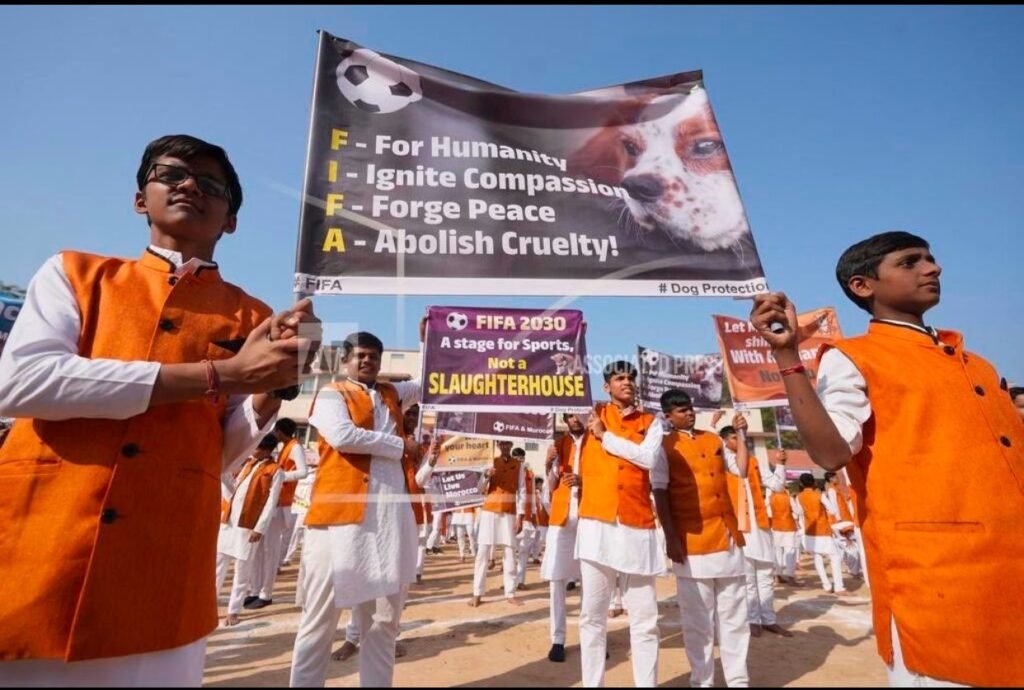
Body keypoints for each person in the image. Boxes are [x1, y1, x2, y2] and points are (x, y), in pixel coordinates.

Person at [0, 134, 319, 685]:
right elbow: (23, 383)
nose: (190, 185)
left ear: (231, 221)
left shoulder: (253, 315)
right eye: (170, 174)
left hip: (164, 556)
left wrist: (272, 385)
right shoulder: (75, 274)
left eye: (212, 186)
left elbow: (219, 452)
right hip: (43, 538)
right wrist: (220, 374)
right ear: (139, 199)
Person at [750, 230, 1024, 686]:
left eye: (931, 259)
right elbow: (831, 451)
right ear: (863, 286)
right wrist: (788, 358)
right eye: (910, 262)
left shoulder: (977, 365)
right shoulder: (855, 357)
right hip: (934, 580)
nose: (932, 268)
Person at [289, 331, 420, 688]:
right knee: (319, 624)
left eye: (373, 357)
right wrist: (400, 445)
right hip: (336, 525)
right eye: (360, 356)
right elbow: (344, 436)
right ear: (346, 360)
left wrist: (430, 340)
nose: (367, 362)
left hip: (385, 526)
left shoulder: (392, 393)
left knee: (380, 626)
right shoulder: (333, 394)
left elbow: (431, 381)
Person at [653, 390, 751, 688]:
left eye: (690, 409)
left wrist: (743, 435)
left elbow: (741, 469)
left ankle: (739, 681)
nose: (689, 414)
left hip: (728, 538)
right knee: (698, 624)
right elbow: (659, 492)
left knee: (735, 619)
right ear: (668, 416)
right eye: (681, 411)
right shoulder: (662, 446)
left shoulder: (713, 438)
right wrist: (671, 538)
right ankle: (701, 681)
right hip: (692, 543)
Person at [576, 361, 664, 688]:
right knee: (592, 617)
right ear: (606, 386)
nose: (627, 382)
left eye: (630, 378)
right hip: (597, 525)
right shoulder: (592, 414)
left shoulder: (651, 422)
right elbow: (565, 392)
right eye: (619, 378)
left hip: (636, 524)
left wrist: (606, 437)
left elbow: (647, 459)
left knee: (644, 620)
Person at [721, 422, 792, 638]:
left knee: (764, 575)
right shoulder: (723, 463)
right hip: (739, 526)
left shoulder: (754, 462)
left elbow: (777, 486)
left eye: (741, 438)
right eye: (734, 438)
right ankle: (752, 619)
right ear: (725, 441)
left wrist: (780, 464)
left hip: (760, 526)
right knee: (748, 578)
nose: (739, 441)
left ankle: (768, 618)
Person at [216, 434, 284, 626]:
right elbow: (235, 491)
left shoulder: (275, 471)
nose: (252, 451)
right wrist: (223, 476)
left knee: (242, 570)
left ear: (266, 450)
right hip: (229, 523)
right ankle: (210, 604)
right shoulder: (247, 464)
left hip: (249, 526)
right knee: (218, 567)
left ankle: (233, 610)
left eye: (256, 447)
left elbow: (271, 503)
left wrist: (259, 528)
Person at [247, 417, 309, 610]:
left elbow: (303, 472)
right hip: (272, 501)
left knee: (270, 550)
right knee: (259, 550)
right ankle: (255, 590)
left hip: (282, 502)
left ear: (280, 431)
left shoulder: (295, 447)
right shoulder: (284, 447)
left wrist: (278, 477)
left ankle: (266, 594)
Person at [540, 414, 587, 663]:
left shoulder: (598, 443)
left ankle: (592, 638)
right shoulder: (558, 445)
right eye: (569, 415)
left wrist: (584, 481)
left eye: (579, 414)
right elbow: (551, 485)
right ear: (565, 420)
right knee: (557, 580)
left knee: (591, 582)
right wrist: (548, 465)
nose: (575, 419)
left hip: (591, 518)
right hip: (561, 518)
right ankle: (558, 639)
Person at [469, 440, 525, 607]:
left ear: (511, 445)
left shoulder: (519, 465)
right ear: (498, 446)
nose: (505, 447)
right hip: (489, 510)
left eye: (508, 444)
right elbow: (479, 489)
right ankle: (477, 593)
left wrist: (520, 516)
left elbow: (522, 490)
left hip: (509, 511)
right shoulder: (489, 462)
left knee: (509, 553)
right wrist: (487, 476)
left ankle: (510, 593)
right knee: (482, 553)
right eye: (502, 444)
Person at [794, 474, 845, 594]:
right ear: (814, 482)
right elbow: (832, 510)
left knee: (817, 557)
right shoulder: (819, 494)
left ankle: (826, 585)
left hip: (809, 530)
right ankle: (839, 586)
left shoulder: (799, 497)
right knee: (835, 557)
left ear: (801, 484)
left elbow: (799, 512)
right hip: (822, 529)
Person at [765, 480, 799, 585]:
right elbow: (798, 511)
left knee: (777, 551)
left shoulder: (770, 498)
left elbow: (765, 510)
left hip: (775, 526)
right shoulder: (788, 498)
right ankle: (790, 576)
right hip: (789, 526)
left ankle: (777, 576)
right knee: (790, 551)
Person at [514, 448, 538, 591]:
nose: (519, 460)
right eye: (517, 458)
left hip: (527, 517)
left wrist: (534, 515)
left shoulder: (530, 475)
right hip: (511, 516)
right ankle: (510, 581)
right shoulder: (509, 472)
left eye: (521, 458)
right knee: (510, 551)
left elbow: (533, 496)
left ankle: (520, 580)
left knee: (523, 552)